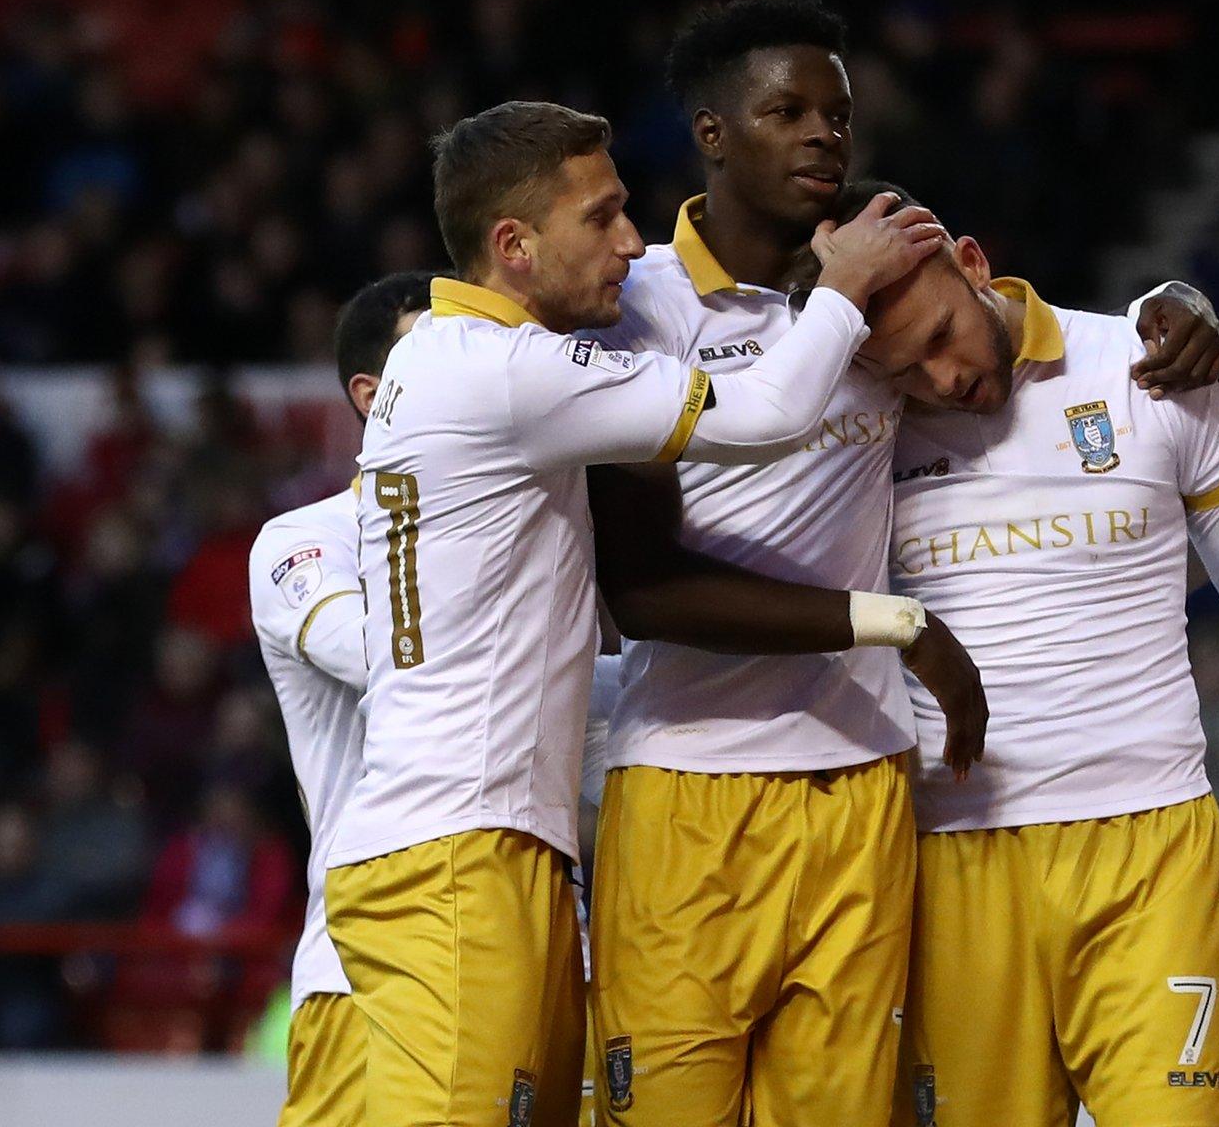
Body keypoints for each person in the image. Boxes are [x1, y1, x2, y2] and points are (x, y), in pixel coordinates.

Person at [581, 0, 1219, 1127]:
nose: (823, 134)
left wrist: (1174, 303)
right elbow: (637, 589)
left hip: (867, 792)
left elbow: (1007, 326)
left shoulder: (881, 286)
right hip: (687, 785)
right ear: (713, 133)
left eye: (836, 111)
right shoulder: (635, 308)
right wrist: (897, 626)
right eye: (787, 111)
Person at [329, 98, 944, 1126]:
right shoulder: (509, 372)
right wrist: (839, 289)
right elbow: (767, 415)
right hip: (453, 861)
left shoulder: (443, 362)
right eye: (602, 217)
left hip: (478, 841)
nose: (630, 241)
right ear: (513, 245)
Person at [785, 178, 1219, 1127]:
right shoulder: (858, 421)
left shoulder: (1151, 365)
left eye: (938, 339)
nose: (940, 381)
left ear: (971, 262)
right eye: (903, 370)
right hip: (948, 854)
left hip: (1152, 844)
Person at [248, 269, 430, 1127]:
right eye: (432, 351)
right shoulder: (303, 540)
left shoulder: (547, 532)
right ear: (370, 393)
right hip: (364, 968)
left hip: (551, 948)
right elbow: (376, 655)